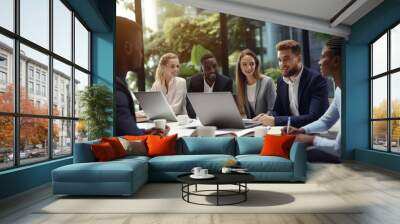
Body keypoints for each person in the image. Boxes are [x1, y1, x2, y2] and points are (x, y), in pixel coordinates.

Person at [282, 37, 345, 163]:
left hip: (354, 159)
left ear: (336, 61)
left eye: (323, 57)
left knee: (302, 154)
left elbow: (340, 149)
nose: (319, 62)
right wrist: (301, 130)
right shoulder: (339, 91)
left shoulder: (351, 96)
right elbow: (325, 121)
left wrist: (310, 139)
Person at [253, 40, 329, 128]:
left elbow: (315, 118)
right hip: (290, 132)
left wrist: (275, 121)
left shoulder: (316, 80)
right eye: (279, 60)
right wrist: (268, 116)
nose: (282, 64)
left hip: (313, 133)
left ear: (299, 58)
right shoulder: (281, 81)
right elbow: (278, 111)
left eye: (286, 59)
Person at [115, 16, 165, 136]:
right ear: (127, 48)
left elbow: (129, 133)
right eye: (140, 48)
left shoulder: (118, 82)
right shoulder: (117, 91)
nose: (141, 55)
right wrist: (155, 137)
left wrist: (144, 132)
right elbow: (132, 139)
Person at [186, 53, 233, 118]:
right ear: (202, 69)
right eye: (208, 68)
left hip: (219, 120)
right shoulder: (194, 81)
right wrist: (199, 116)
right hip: (198, 120)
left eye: (214, 66)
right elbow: (189, 105)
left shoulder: (226, 82)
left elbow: (228, 107)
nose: (212, 70)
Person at [235, 49, 276, 118]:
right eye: (244, 64)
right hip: (251, 126)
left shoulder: (267, 82)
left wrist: (259, 119)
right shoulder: (241, 85)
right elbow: (243, 113)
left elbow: (273, 110)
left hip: (266, 126)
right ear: (240, 67)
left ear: (256, 64)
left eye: (252, 64)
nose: (249, 67)